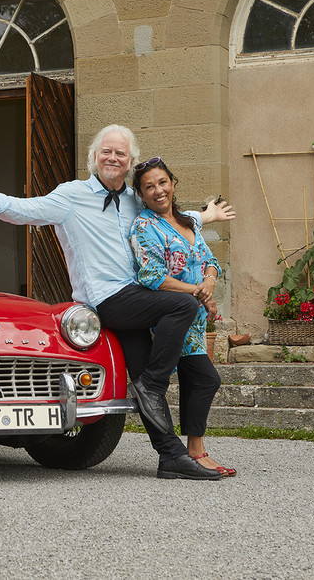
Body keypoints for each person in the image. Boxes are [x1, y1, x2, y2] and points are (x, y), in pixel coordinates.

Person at [0, 124, 232, 480]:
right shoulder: (71, 195)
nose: (112, 157)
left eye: (120, 153)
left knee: (140, 376)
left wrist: (206, 216)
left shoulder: (135, 199)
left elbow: (166, 215)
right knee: (181, 307)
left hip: (138, 298)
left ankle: (170, 456)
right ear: (94, 158)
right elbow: (25, 209)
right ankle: (156, 381)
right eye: (106, 151)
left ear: (130, 162)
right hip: (106, 299)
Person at [129, 156, 236, 477]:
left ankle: (194, 452)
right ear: (141, 194)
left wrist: (209, 282)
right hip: (172, 322)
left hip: (196, 321)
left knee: (197, 381)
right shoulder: (144, 227)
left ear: (173, 184)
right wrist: (196, 291)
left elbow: (210, 259)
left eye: (162, 182)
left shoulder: (188, 222)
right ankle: (194, 452)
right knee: (206, 378)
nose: (157, 190)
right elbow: (152, 276)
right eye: (149, 187)